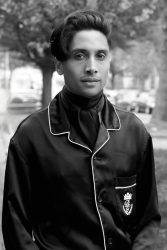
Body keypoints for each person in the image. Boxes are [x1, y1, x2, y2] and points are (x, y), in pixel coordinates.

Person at [2, 9, 161, 250]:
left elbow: (147, 220)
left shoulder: (134, 131)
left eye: (100, 55)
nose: (91, 67)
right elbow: (16, 227)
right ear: (59, 65)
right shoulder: (31, 136)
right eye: (79, 56)